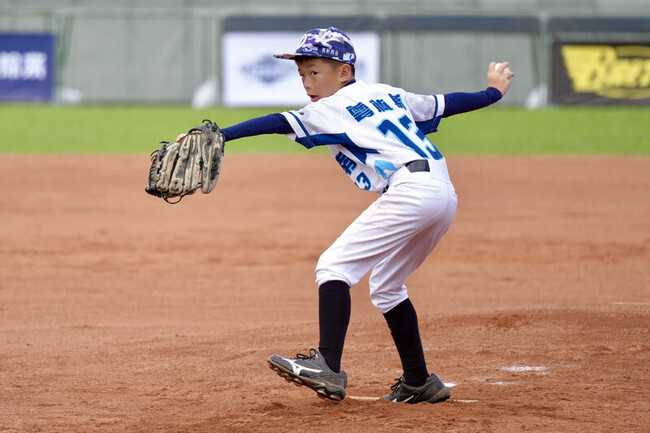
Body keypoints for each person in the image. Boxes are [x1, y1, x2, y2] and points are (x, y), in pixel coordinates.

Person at [192, 27, 514, 404]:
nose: (307, 83)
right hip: (442, 192)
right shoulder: (385, 93)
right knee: (387, 286)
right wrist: (492, 93)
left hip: (410, 191)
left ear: (344, 72)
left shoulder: (329, 107)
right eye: (302, 75)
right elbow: (445, 103)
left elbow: (279, 122)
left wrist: (222, 135)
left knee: (333, 267)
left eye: (315, 72)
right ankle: (419, 381)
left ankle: (327, 364)